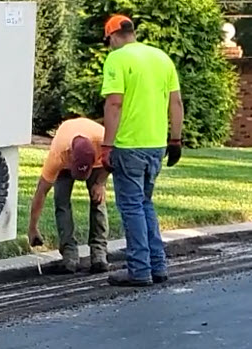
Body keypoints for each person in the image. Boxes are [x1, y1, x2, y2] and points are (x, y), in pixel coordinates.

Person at [100, 15, 184, 286]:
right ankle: (157, 266)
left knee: (132, 207)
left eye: (108, 41)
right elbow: (176, 103)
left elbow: (114, 104)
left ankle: (139, 269)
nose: (109, 46)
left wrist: (107, 145)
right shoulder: (162, 58)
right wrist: (175, 140)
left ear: (113, 36)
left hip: (129, 145)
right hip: (156, 146)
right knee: (145, 203)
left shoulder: (117, 59)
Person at [28, 118, 110, 274]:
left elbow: (114, 158)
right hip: (66, 159)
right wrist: (32, 227)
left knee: (98, 200)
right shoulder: (59, 154)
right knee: (61, 202)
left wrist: (100, 183)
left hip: (100, 161)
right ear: (71, 157)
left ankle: (99, 254)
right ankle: (69, 256)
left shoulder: (102, 139)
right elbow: (41, 192)